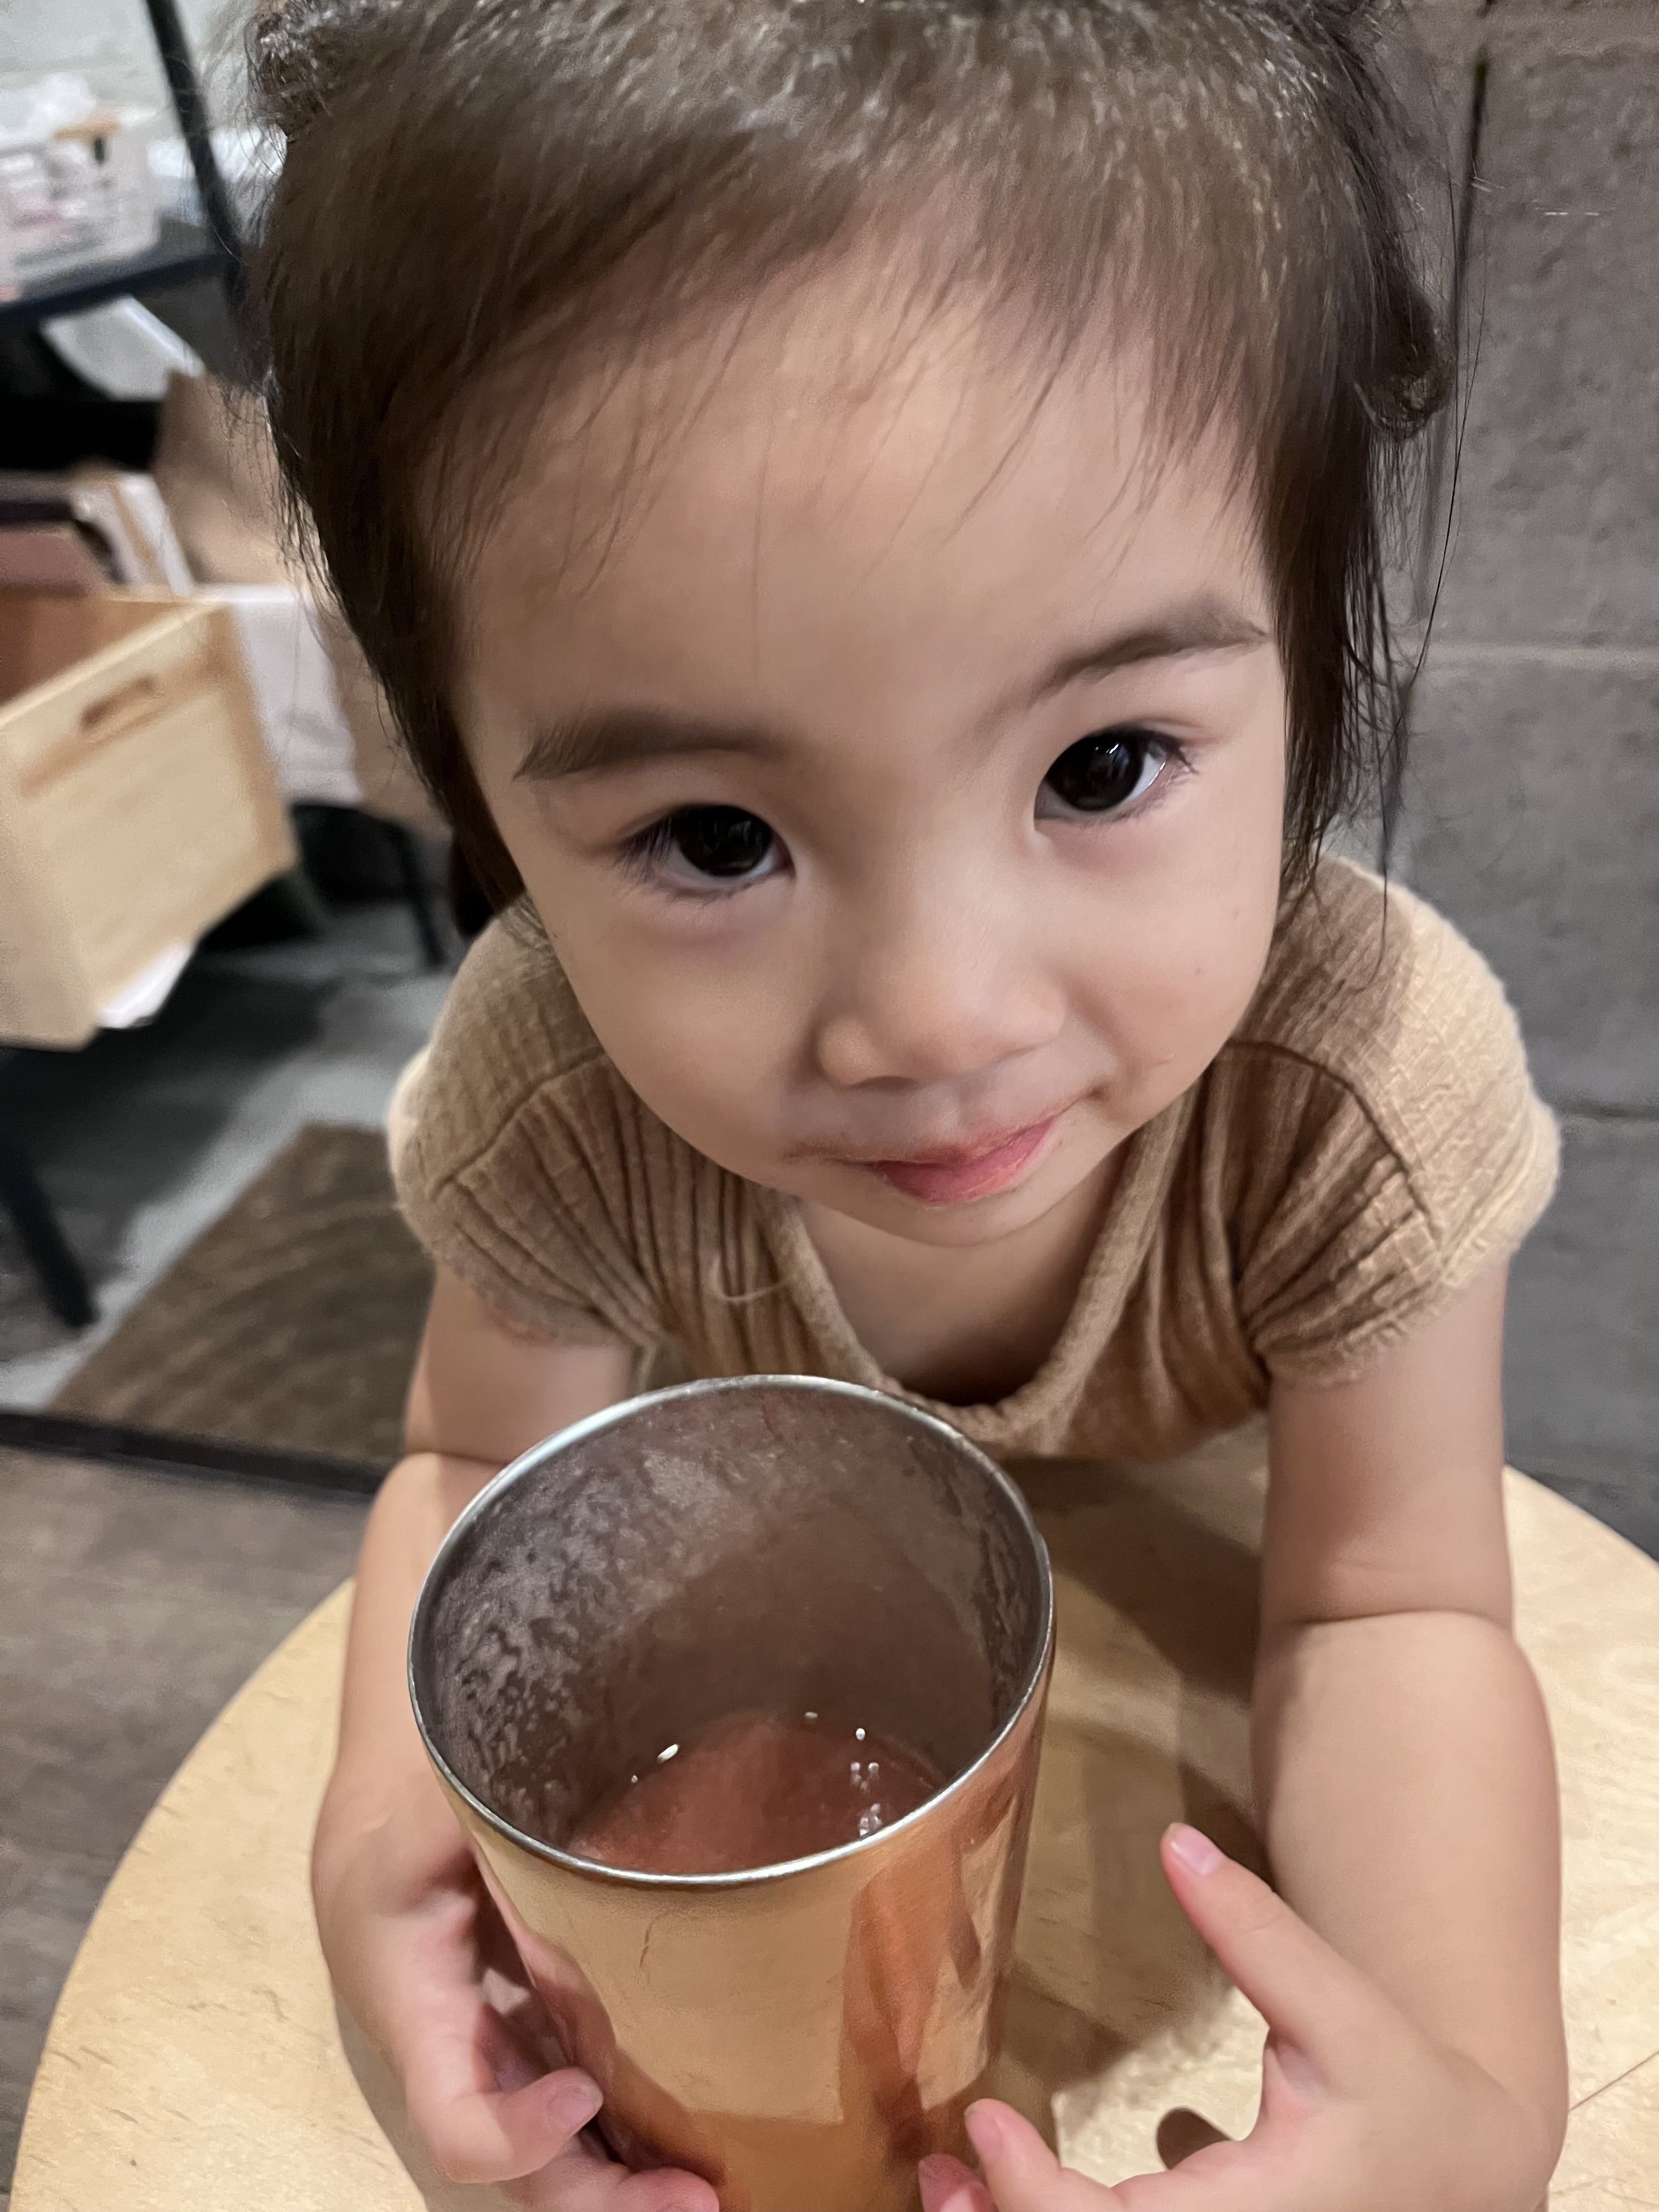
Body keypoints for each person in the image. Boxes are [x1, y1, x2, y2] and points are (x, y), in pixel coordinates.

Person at [248, 0, 1567, 2205]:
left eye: (1102, 766)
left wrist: (1477, 2111)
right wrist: (381, 1831)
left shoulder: (1354, 1090)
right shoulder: (557, 1087)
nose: (938, 1021)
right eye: (715, 837)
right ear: (473, 791)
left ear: (1309, 678)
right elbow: (475, 1466)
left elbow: (1392, 1607)